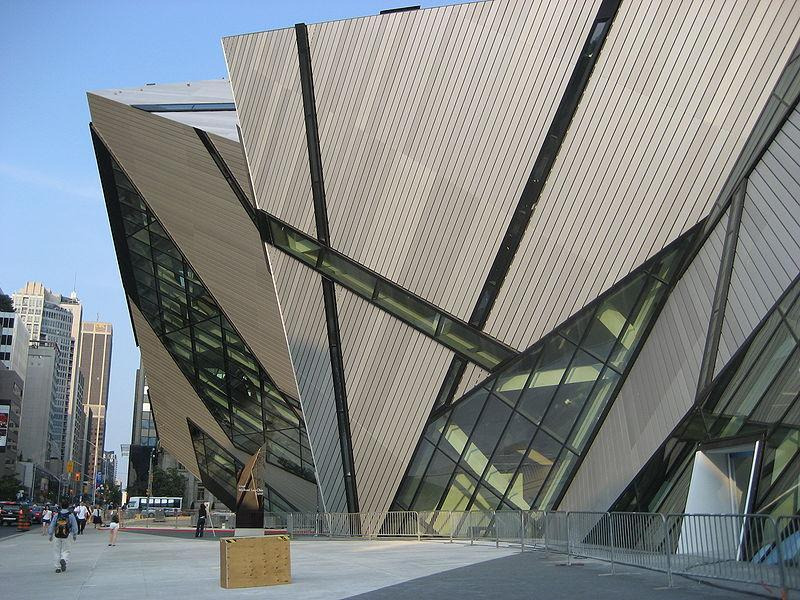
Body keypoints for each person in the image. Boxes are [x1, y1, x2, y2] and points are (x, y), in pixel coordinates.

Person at [48, 501, 78, 573]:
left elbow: (52, 524)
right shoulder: (70, 515)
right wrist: (75, 535)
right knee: (66, 550)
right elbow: (74, 526)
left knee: (56, 550)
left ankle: (57, 567)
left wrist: (50, 534)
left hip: (57, 535)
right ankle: (64, 559)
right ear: (68, 506)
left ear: (61, 506)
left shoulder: (57, 514)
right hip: (67, 535)